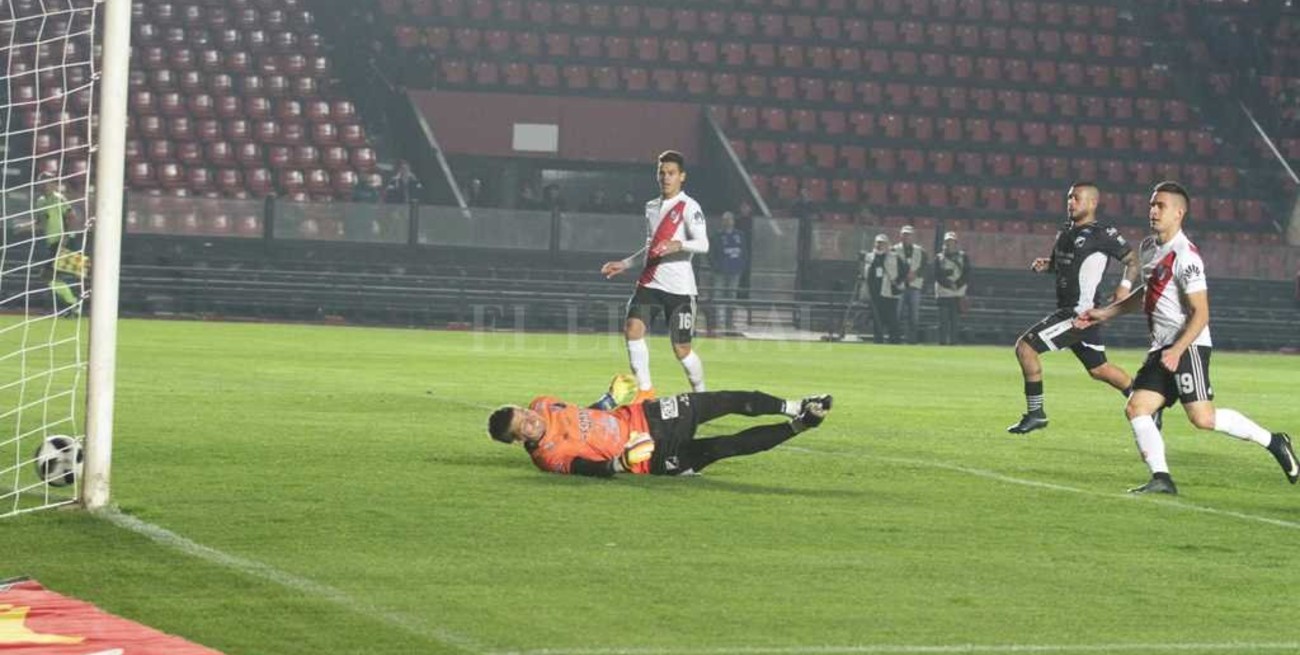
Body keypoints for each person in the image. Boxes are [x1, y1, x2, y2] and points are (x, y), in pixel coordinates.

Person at [1075, 181, 1296, 494]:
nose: (1153, 211)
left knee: (1203, 418)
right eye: (1152, 204)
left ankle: (1274, 441)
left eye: (1160, 206)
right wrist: (1105, 313)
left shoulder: (1186, 256)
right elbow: (1146, 294)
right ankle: (1162, 479)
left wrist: (1178, 349)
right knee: (1137, 408)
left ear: (1179, 213)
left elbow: (1201, 313)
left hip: (1188, 345)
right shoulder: (1149, 247)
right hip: (1164, 348)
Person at [1007, 182, 1143, 434]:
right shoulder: (1065, 231)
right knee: (1100, 370)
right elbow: (1064, 266)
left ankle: (1036, 413)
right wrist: (1047, 265)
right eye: (1069, 198)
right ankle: (1146, 405)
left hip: (1079, 314)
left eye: (1076, 198)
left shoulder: (1102, 233)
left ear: (1092, 203)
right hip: (1075, 312)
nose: (1070, 202)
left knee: (1025, 348)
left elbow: (1133, 260)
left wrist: (1124, 287)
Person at [487, 391, 833, 477]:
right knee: (723, 446)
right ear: (519, 440)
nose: (531, 418)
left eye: (525, 413)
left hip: (645, 415)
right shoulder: (548, 457)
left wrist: (608, 399)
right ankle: (800, 425)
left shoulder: (545, 403)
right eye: (524, 425)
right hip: (649, 456)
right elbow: (590, 469)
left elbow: (587, 416)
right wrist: (622, 463)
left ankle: (798, 404)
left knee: (724, 399)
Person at [600, 150, 709, 394]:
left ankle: (701, 394)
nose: (665, 177)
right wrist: (626, 264)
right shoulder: (651, 207)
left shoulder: (689, 207)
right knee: (632, 330)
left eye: (671, 173)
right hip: (650, 283)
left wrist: (679, 244)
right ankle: (646, 393)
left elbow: (704, 244)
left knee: (682, 350)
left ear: (682, 176)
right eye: (661, 173)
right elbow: (651, 247)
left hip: (680, 290)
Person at [32, 174, 83, 313]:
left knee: (48, 275)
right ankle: (74, 305)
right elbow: (40, 223)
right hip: (53, 243)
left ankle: (74, 304)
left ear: (54, 184)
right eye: (41, 182)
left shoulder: (58, 199)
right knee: (52, 275)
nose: (43, 185)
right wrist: (23, 226)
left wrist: (65, 238)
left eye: (46, 182)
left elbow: (71, 217)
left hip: (63, 241)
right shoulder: (41, 201)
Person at [933, 231, 970, 346]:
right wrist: (949, 284)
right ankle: (942, 343)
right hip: (943, 293)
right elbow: (937, 274)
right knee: (943, 321)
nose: (949, 244)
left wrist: (957, 284)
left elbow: (967, 273)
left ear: (956, 243)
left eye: (952, 241)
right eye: (947, 241)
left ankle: (954, 343)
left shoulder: (963, 256)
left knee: (955, 321)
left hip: (957, 293)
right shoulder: (939, 258)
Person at [863, 233, 902, 344]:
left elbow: (904, 271)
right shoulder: (870, 257)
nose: (880, 245)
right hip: (875, 293)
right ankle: (878, 340)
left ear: (887, 244)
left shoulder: (895, 257)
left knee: (892, 318)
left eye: (882, 243)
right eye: (878, 243)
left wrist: (897, 282)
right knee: (877, 318)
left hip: (890, 292)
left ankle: (894, 340)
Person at [891, 225, 927, 344]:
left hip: (914, 286)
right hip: (899, 286)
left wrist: (915, 274)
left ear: (913, 236)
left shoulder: (921, 251)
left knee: (914, 316)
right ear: (900, 236)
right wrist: (903, 276)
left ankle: (912, 340)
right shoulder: (894, 250)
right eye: (904, 234)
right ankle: (895, 339)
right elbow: (891, 266)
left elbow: (925, 266)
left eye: (909, 234)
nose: (906, 237)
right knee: (896, 315)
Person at [710, 211, 746, 331]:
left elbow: (744, 252)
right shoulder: (717, 236)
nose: (728, 222)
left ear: (733, 221)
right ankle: (717, 321)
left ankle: (729, 322)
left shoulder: (740, 235)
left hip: (735, 270)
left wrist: (741, 265)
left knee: (731, 296)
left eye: (730, 219)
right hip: (720, 271)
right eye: (725, 219)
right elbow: (711, 254)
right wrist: (715, 266)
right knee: (718, 295)